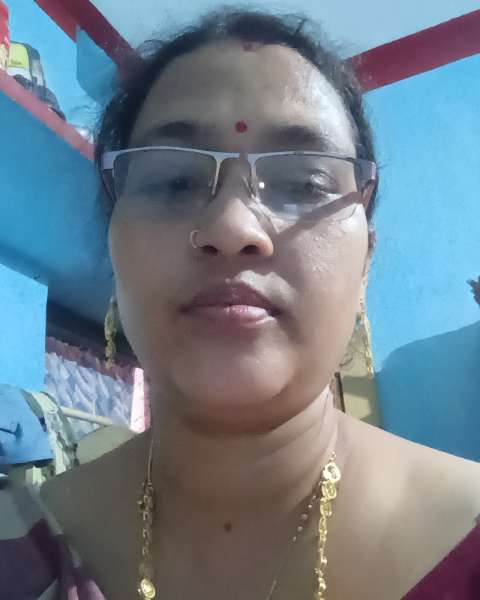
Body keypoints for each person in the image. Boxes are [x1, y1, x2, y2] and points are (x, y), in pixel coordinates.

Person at [2, 8, 480, 600]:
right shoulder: (17, 554)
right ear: (113, 244)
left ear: (365, 263)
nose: (232, 227)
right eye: (175, 180)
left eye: (304, 183)